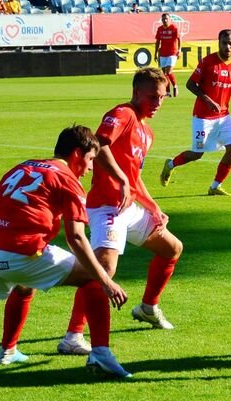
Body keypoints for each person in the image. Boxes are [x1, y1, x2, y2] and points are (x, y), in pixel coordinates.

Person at [0, 125, 132, 379]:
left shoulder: (22, 166)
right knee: (92, 277)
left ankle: (7, 351)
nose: (91, 168)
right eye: (90, 160)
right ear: (78, 154)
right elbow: (76, 238)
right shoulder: (67, 178)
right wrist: (106, 281)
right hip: (14, 254)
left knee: (26, 283)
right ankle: (101, 354)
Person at [58, 68, 183, 353]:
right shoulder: (123, 114)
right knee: (104, 268)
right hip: (106, 207)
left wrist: (154, 207)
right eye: (152, 96)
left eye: (161, 98)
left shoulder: (147, 131)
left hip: (128, 207)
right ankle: (72, 337)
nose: (157, 103)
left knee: (172, 248)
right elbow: (99, 145)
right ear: (136, 92)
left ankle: (148, 307)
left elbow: (134, 175)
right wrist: (122, 179)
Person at [159, 29, 231, 197]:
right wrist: (208, 100)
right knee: (197, 153)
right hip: (203, 117)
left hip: (224, 117)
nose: (228, 46)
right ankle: (170, 165)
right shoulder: (208, 62)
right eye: (224, 43)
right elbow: (190, 84)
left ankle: (215, 186)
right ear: (219, 43)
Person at [154, 13, 181, 98]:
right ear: (161, 20)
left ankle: (175, 86)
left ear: (170, 19)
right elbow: (158, 41)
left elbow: (179, 39)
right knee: (164, 73)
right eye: (163, 19)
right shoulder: (160, 29)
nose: (165, 20)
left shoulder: (174, 28)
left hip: (172, 52)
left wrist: (179, 50)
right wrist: (155, 53)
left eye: (166, 19)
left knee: (168, 71)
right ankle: (168, 92)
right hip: (163, 53)